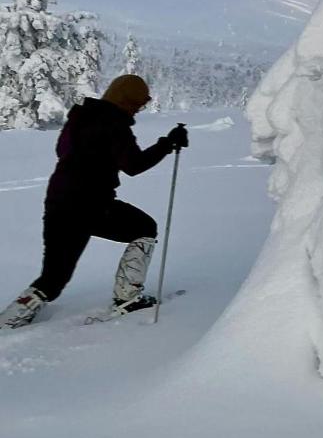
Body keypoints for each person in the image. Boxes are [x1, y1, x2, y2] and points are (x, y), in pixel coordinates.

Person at [0, 75, 188, 329]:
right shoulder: (115, 124)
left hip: (58, 202)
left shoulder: (79, 117)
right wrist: (168, 143)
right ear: (126, 100)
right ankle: (127, 298)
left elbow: (62, 151)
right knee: (144, 228)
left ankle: (8, 323)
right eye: (137, 104)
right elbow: (134, 165)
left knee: (53, 278)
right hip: (92, 205)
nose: (138, 109)